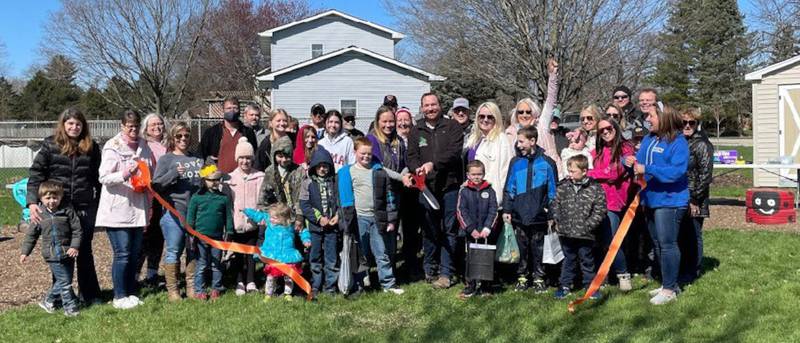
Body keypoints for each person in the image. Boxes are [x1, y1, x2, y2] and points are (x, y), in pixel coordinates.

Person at [27, 108, 102, 305]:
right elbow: (36, 175)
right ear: (63, 124)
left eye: (78, 124)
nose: (74, 127)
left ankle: (91, 295)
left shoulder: (92, 147)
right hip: (58, 209)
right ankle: (61, 296)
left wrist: (100, 204)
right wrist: (32, 202)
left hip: (85, 206)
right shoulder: (51, 145)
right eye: (70, 123)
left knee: (84, 251)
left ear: (83, 126)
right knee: (61, 254)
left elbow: (97, 179)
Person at [625, 105, 689, 305]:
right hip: (650, 199)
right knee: (659, 244)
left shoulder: (678, 142)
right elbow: (640, 163)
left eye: (651, 116)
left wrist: (648, 168)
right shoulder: (648, 139)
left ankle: (670, 289)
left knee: (668, 244)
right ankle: (667, 283)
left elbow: (677, 171)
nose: (647, 120)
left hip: (670, 200)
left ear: (664, 118)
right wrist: (629, 160)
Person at [96, 109, 154, 310]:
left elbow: (149, 171)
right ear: (122, 126)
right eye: (129, 127)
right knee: (122, 253)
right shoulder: (112, 146)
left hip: (138, 207)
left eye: (136, 126)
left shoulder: (144, 146)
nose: (133, 130)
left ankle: (131, 292)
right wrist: (124, 173)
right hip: (117, 209)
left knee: (135, 253)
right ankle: (119, 295)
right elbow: (103, 177)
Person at [406, 92, 464, 289]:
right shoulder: (416, 130)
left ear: (440, 106)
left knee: (449, 230)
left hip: (449, 187)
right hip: (426, 188)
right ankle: (429, 268)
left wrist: (433, 164)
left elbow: (454, 153)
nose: (430, 108)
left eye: (433, 104)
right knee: (429, 230)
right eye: (426, 105)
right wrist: (417, 168)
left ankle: (446, 272)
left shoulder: (452, 127)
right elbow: (411, 155)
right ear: (422, 108)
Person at [337, 137, 404, 295]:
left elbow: (389, 196)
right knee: (361, 254)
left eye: (369, 154)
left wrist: (391, 219)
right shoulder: (349, 172)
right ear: (355, 152)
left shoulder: (378, 171)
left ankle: (388, 284)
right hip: (359, 219)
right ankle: (360, 283)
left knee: (382, 253)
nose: (366, 157)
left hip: (377, 219)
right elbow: (343, 200)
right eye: (363, 153)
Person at [151, 122, 203, 301]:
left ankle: (191, 287)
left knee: (192, 250)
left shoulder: (197, 159)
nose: (183, 139)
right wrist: (173, 173)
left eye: (186, 136)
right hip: (173, 212)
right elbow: (156, 186)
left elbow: (201, 184)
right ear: (173, 138)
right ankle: (173, 290)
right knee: (174, 250)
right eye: (179, 136)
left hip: (194, 213)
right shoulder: (166, 160)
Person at [502, 127, 557, 293]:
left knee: (538, 246)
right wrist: (507, 209)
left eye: (521, 141)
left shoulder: (547, 163)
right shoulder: (515, 162)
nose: (518, 145)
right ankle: (522, 276)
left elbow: (553, 191)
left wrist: (552, 213)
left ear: (532, 141)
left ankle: (539, 277)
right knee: (521, 246)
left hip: (540, 214)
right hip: (519, 213)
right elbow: (509, 188)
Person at [20, 181, 82, 317]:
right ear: (41, 198)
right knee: (65, 283)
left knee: (64, 281)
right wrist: (25, 252)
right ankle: (70, 308)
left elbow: (77, 230)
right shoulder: (39, 214)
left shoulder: (67, 211)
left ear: (60, 197)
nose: (52, 201)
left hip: (68, 252)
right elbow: (32, 234)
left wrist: (74, 246)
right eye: (48, 198)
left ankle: (48, 301)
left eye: (55, 198)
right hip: (51, 254)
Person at [588, 118, 635, 291]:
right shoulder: (596, 152)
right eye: (601, 130)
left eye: (609, 128)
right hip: (596, 201)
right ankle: (603, 276)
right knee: (598, 241)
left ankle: (623, 274)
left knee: (612, 240)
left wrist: (590, 173)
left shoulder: (625, 149)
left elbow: (614, 173)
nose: (606, 132)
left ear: (616, 128)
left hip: (614, 202)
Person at [551, 155, 606, 300]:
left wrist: (589, 225)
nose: (570, 174)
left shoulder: (595, 188)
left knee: (587, 260)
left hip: (585, 233)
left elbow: (600, 210)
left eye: (573, 171)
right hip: (566, 232)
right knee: (568, 260)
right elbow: (555, 204)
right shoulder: (563, 187)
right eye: (568, 171)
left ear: (584, 171)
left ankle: (591, 287)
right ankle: (565, 286)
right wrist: (559, 220)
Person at [243, 204, 311, 300]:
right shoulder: (269, 222)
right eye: (271, 217)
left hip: (287, 256)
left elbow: (303, 231)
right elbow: (258, 215)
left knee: (288, 277)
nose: (271, 219)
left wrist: (306, 240)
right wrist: (246, 210)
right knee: (271, 277)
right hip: (272, 256)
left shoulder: (291, 226)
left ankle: (287, 294)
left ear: (283, 218)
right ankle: (268, 294)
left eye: (274, 218)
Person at [505, 59, 561, 174]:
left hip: (550, 175)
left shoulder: (542, 126)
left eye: (528, 112)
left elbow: (551, 101)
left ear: (534, 113)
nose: (524, 115)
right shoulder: (510, 133)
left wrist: (552, 76)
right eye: (520, 112)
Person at [187, 164, 234, 301]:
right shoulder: (197, 197)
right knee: (201, 264)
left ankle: (216, 288)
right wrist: (191, 234)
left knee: (216, 264)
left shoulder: (223, 198)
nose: (215, 182)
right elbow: (191, 217)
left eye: (217, 179)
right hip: (201, 237)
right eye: (211, 180)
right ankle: (199, 290)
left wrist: (229, 232)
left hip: (217, 238)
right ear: (204, 180)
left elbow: (228, 217)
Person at [226, 137, 264, 296]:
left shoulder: (260, 177)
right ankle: (239, 281)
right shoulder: (229, 179)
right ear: (237, 159)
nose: (245, 161)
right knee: (237, 254)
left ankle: (251, 280)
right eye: (241, 158)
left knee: (250, 254)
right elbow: (229, 202)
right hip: (236, 223)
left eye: (248, 158)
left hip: (253, 224)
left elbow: (262, 200)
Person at [299, 148, 340, 297]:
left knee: (331, 258)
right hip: (315, 228)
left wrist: (338, 215)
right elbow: (304, 205)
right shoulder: (307, 183)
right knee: (315, 257)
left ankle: (330, 287)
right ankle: (315, 285)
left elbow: (340, 202)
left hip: (332, 227)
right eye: (319, 166)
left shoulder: (335, 182)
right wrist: (318, 218)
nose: (323, 169)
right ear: (314, 167)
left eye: (326, 166)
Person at [679, 107, 713, 284]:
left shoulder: (702, 144)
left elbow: (705, 176)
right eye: (683, 122)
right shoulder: (680, 142)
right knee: (683, 235)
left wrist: (694, 199)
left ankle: (694, 270)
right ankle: (684, 268)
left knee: (693, 234)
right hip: (680, 195)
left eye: (691, 122)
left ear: (697, 124)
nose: (687, 126)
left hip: (695, 198)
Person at [456, 160, 498, 298]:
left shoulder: (490, 190)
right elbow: (461, 211)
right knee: (471, 258)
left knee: (486, 257)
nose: (476, 177)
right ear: (468, 175)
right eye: (473, 174)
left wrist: (487, 227)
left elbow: (494, 210)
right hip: (471, 233)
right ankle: (471, 285)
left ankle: (486, 286)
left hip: (486, 233)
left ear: (484, 174)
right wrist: (470, 228)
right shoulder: (464, 191)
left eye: (479, 174)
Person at [137, 112, 169, 287]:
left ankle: (152, 274)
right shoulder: (143, 146)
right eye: (153, 125)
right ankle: (135, 274)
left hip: (164, 199)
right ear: (146, 129)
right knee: (143, 237)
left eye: (160, 124)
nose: (157, 127)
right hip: (147, 197)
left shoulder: (168, 145)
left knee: (158, 236)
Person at [464, 102, 514, 206]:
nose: (485, 120)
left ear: (496, 119)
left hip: (490, 198)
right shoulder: (474, 138)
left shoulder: (501, 139)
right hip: (472, 195)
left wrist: (499, 200)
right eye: (481, 116)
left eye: (490, 117)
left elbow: (506, 172)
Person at [200, 96, 258, 173]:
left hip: (242, 179)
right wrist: (208, 174)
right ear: (223, 111)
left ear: (239, 111)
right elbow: (200, 156)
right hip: (219, 180)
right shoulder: (211, 132)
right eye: (229, 108)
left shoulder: (248, 132)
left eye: (235, 108)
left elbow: (255, 157)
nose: (232, 111)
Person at [260, 136, 305, 231]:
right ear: (274, 155)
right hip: (274, 218)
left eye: (287, 156)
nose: (284, 160)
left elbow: (302, 196)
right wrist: (266, 215)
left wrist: (299, 217)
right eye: (280, 156)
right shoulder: (270, 171)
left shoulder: (299, 171)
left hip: (293, 217)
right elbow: (263, 198)